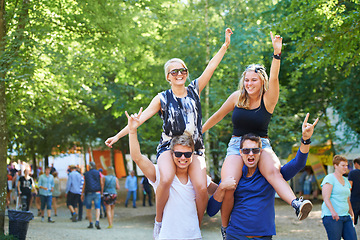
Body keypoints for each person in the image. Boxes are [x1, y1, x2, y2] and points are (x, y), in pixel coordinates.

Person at [105, 28, 233, 231]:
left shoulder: (194, 90)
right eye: (175, 71)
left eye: (183, 70)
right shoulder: (162, 98)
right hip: (169, 147)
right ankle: (158, 221)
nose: (180, 74)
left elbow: (210, 67)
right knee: (164, 178)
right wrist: (118, 135)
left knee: (201, 187)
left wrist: (224, 46)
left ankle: (196, 225)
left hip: (194, 149)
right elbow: (137, 121)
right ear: (168, 76)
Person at [202, 32, 312, 234]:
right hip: (237, 146)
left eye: (254, 80)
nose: (249, 84)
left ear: (262, 81)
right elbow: (217, 116)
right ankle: (225, 228)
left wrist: (276, 54)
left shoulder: (268, 99)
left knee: (273, 173)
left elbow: (276, 77)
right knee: (230, 185)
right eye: (246, 80)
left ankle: (296, 204)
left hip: (261, 145)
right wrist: (198, 132)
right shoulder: (237, 97)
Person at [207, 114, 318, 240]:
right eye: (246, 150)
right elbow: (211, 211)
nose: (250, 154)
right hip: (235, 236)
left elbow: (298, 163)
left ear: (261, 152)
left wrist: (305, 140)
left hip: (264, 236)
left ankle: (296, 204)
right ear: (240, 152)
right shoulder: (233, 176)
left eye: (255, 150)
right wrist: (221, 187)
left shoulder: (271, 175)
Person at [126, 109, 219, 240]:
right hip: (167, 236)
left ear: (192, 154)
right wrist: (132, 131)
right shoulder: (160, 173)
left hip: (194, 236)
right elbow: (137, 158)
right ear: (171, 153)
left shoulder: (198, 178)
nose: (183, 158)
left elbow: (219, 192)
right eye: (178, 154)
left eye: (187, 154)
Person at [321, 155, 357, 240]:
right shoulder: (329, 178)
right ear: (335, 166)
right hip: (332, 217)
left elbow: (347, 198)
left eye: (346, 165)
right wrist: (333, 212)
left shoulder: (346, 180)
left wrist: (352, 214)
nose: (346, 167)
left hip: (346, 216)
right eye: (343, 165)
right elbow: (326, 198)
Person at [82, 161, 102, 229]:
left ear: (89, 167)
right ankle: (97, 221)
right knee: (97, 208)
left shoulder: (86, 174)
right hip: (97, 192)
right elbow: (101, 182)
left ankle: (90, 223)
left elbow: (84, 184)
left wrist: (82, 193)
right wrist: (101, 191)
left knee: (88, 208)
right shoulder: (98, 173)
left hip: (89, 193)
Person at [348, 158, 360, 225]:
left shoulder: (352, 173)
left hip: (355, 199)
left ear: (356, 164)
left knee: (352, 221)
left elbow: (350, 186)